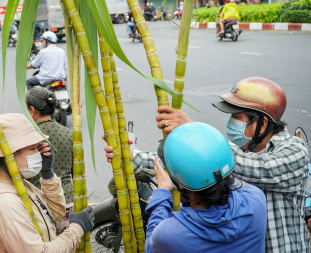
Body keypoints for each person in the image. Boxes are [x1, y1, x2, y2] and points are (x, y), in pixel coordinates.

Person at [105, 77, 310, 253]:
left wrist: (195, 133)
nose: (231, 122)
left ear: (263, 123)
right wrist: (130, 156)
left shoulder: (295, 150)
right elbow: (191, 165)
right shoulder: (238, 157)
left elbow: (258, 168)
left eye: (236, 117)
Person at [0, 113, 94, 253]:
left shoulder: (21, 185)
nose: (38, 153)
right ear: (10, 155)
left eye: (38, 148)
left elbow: (53, 215)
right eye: (33, 149)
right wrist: (76, 228)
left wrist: (47, 174)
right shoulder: (5, 204)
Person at [145, 122, 266, 253]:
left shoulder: (169, 235)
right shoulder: (256, 199)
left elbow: (150, 246)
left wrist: (162, 192)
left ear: (178, 183)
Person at [26, 87, 74, 233]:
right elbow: (76, 172)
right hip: (68, 205)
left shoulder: (27, 138)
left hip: (38, 208)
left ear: (32, 110)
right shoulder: (69, 134)